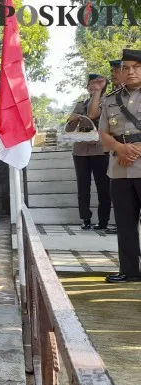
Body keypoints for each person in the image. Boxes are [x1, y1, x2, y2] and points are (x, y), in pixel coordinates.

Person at [99, 49, 141, 283]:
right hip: (119, 167)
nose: (130, 72)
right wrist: (120, 148)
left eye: (136, 67)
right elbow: (103, 134)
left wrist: (134, 151)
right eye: (126, 68)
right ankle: (130, 271)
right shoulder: (110, 100)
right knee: (124, 222)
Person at [64, 74, 114, 233]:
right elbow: (69, 130)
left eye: (97, 83)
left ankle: (103, 220)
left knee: (103, 187)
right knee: (83, 187)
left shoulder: (108, 102)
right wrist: (72, 120)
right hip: (80, 151)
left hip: (100, 149)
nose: (92, 86)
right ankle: (85, 218)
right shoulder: (80, 104)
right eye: (90, 84)